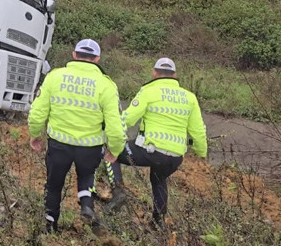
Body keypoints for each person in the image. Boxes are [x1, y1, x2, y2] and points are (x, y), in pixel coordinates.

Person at [28, 39, 126, 233]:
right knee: (87, 175)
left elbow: (38, 111)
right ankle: (86, 204)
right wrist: (115, 149)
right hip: (89, 147)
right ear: (97, 59)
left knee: (54, 184)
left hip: (59, 145)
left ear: (74, 55)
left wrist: (35, 134)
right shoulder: (106, 85)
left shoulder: (55, 77)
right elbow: (116, 125)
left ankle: (50, 224)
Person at [102, 57, 207, 228]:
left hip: (150, 152)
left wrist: (108, 128)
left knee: (111, 151)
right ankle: (158, 223)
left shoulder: (149, 91)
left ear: (154, 73)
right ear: (175, 75)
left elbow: (128, 119)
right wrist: (201, 154)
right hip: (174, 157)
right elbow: (198, 130)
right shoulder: (190, 97)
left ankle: (117, 191)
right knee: (158, 179)